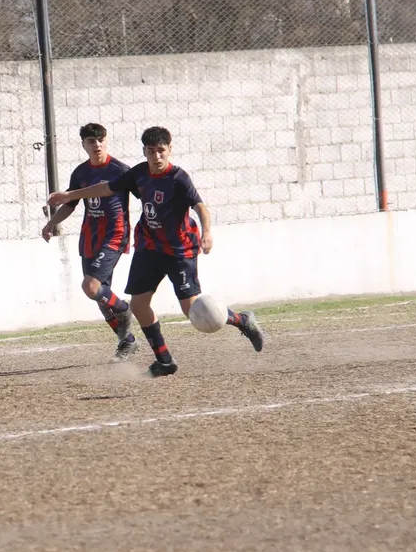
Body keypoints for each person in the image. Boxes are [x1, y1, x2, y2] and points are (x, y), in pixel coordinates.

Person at [47, 125, 264, 377]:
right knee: (139, 306)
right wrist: (71, 195)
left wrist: (207, 232)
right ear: (145, 152)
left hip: (180, 249)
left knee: (192, 311)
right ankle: (164, 360)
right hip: (149, 246)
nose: (157, 156)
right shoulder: (138, 173)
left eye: (161, 151)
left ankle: (242, 320)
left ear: (169, 150)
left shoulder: (179, 178)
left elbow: (200, 206)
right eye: (151, 151)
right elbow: (106, 188)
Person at [42, 123, 139, 362]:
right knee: (99, 296)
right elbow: (71, 204)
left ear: (106, 141)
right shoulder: (80, 173)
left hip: (114, 235)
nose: (97, 145)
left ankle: (125, 311)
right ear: (84, 145)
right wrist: (51, 223)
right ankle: (126, 341)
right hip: (90, 237)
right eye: (91, 142)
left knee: (92, 287)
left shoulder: (120, 170)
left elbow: (144, 195)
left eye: (100, 140)